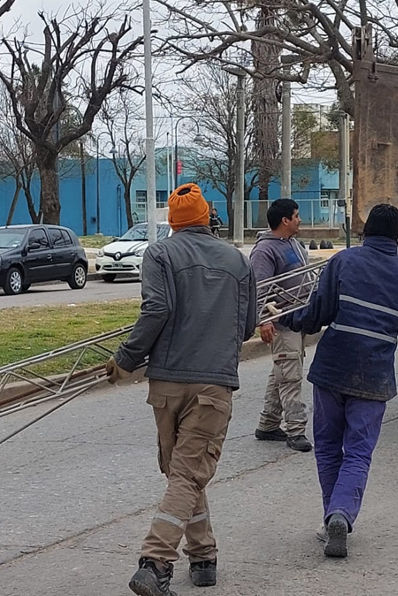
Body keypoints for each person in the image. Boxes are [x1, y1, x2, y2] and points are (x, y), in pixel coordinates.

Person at [106, 183, 257, 596]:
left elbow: (156, 309)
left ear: (172, 222)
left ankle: (204, 555)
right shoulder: (238, 261)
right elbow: (247, 326)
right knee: (188, 475)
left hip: (167, 384)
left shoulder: (160, 254)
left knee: (182, 474)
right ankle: (155, 562)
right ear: (208, 217)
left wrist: (126, 359)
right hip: (213, 385)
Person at [284, 203, 398, 558]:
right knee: (358, 451)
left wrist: (291, 320)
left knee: (328, 446)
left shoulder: (343, 261)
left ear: (365, 231)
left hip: (333, 367)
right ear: (397, 236)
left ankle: (332, 516)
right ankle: (340, 514)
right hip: (374, 375)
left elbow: (318, 312)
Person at [250, 198, 313, 452]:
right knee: (290, 376)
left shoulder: (294, 244)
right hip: (282, 323)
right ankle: (296, 431)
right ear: (285, 220)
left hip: (298, 319)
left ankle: (268, 425)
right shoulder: (265, 251)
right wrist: (265, 319)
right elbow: (259, 288)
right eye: (296, 216)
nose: (300, 220)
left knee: (283, 371)